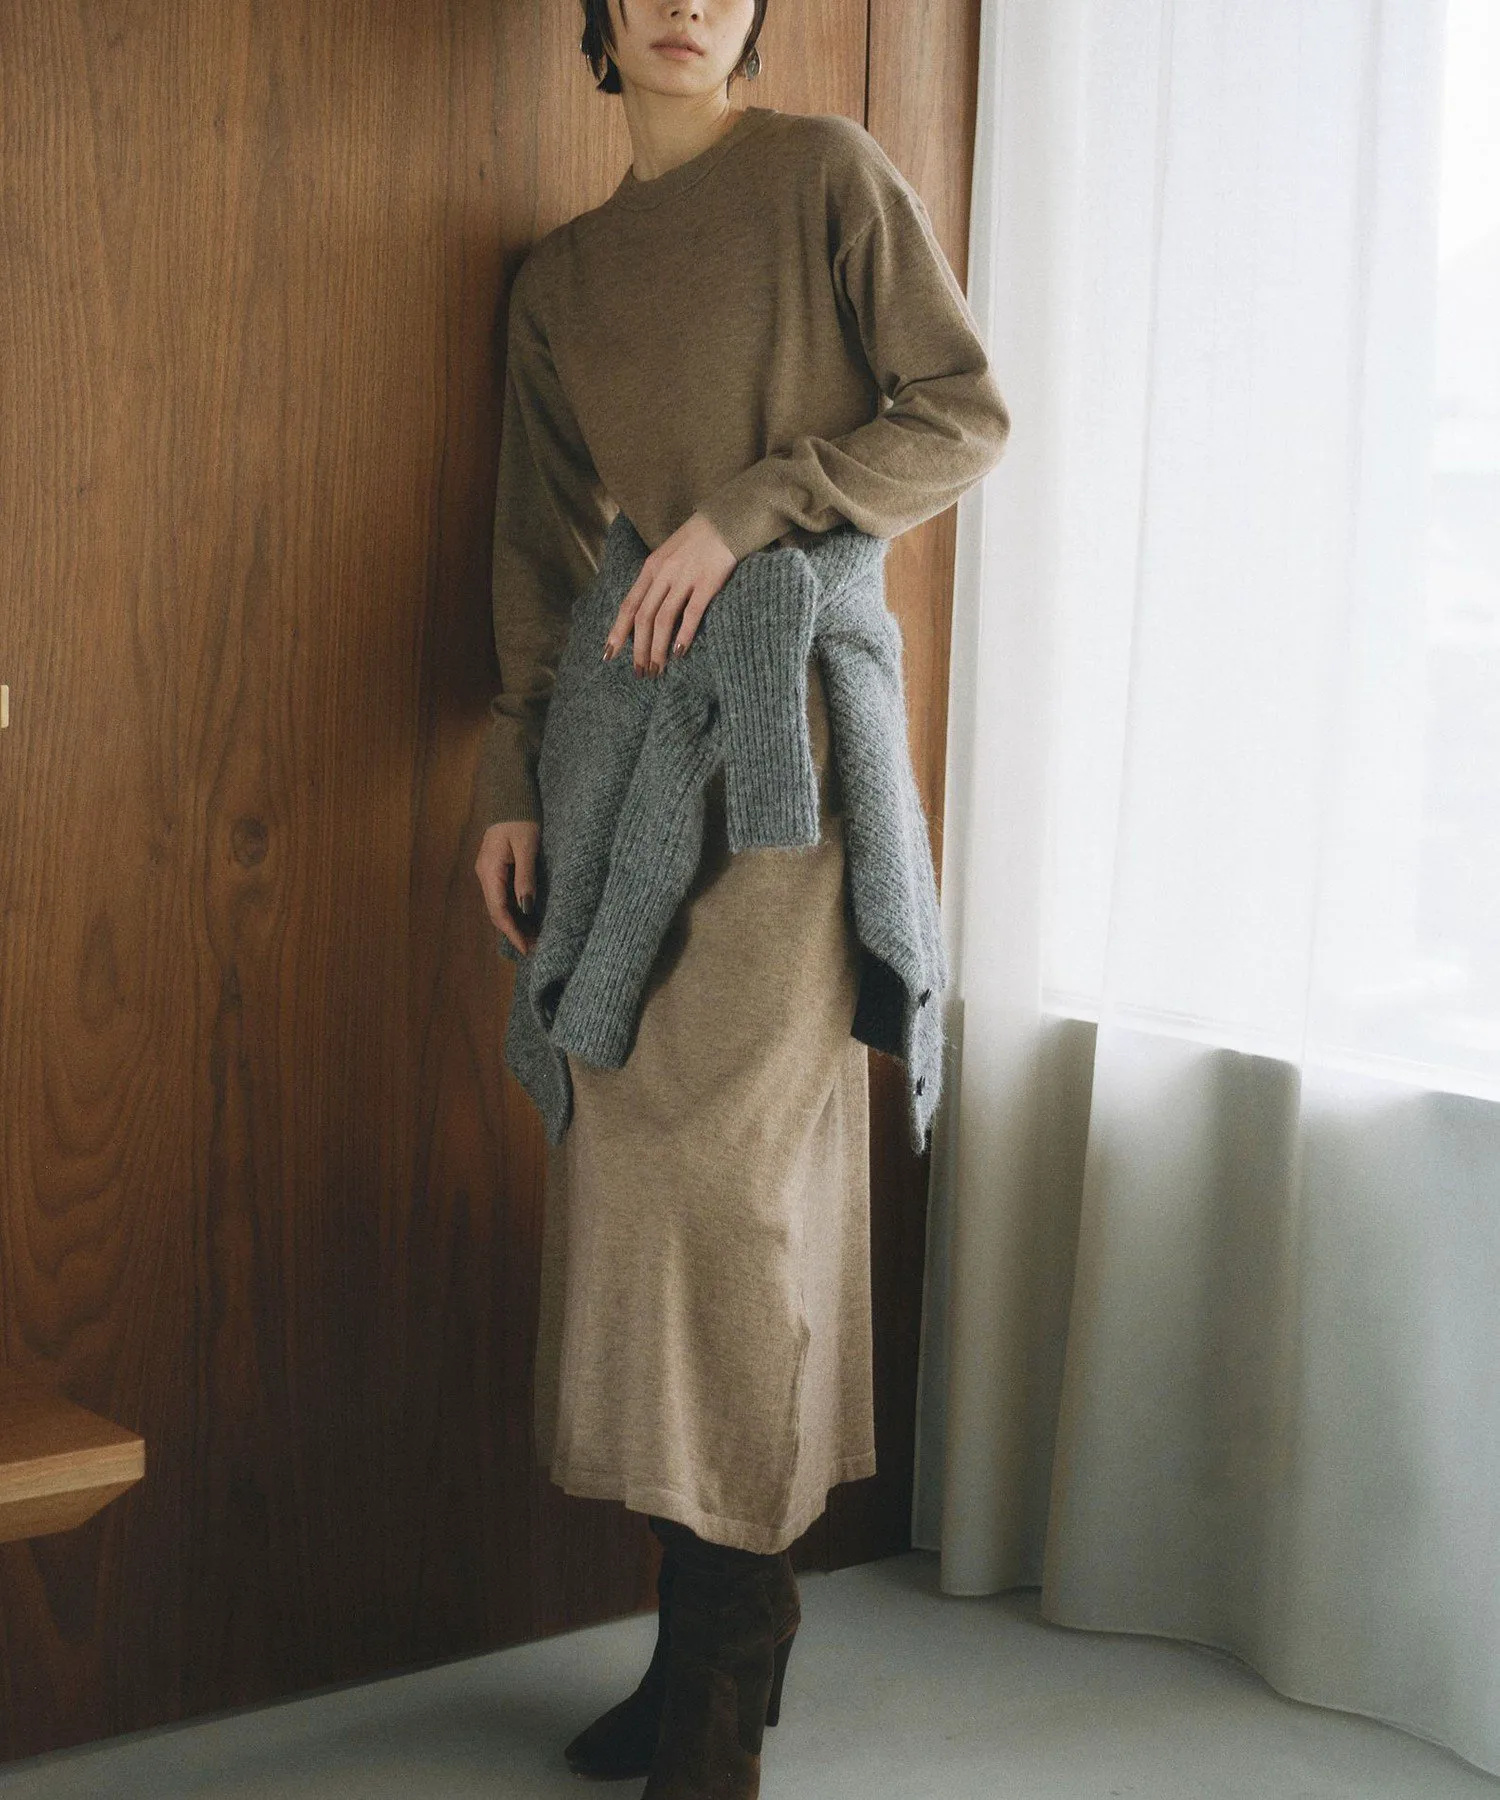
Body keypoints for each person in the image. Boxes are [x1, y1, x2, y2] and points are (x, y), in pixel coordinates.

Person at [471, 2, 1010, 1793]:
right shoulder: (562, 282)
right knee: (638, 1209)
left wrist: (748, 512)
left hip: (793, 778)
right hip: (624, 773)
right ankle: (704, 1632)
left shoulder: (825, 177)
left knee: (741, 1210)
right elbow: (539, 551)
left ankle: (727, 1665)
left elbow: (964, 411)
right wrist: (509, 780)